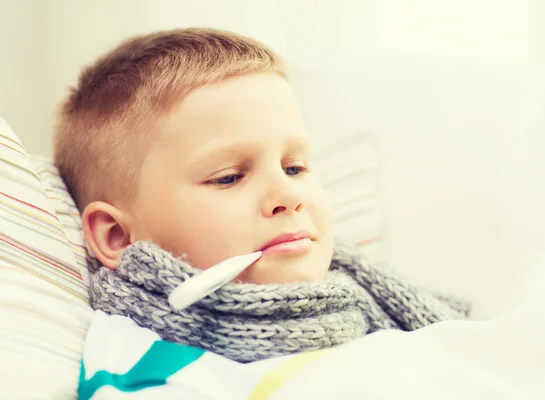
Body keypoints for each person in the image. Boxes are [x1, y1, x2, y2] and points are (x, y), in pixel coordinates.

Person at [54, 28, 469, 363]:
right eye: (229, 177)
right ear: (116, 237)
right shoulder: (133, 361)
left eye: (295, 168)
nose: (287, 194)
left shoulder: (385, 320)